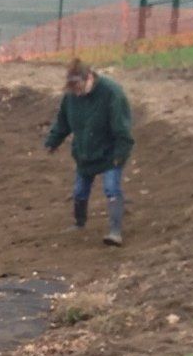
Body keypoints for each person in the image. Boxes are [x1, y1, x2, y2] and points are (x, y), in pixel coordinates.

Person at [42, 58, 134, 246]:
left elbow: (122, 129)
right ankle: (79, 223)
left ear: (89, 78)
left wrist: (120, 154)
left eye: (78, 86)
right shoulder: (71, 97)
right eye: (72, 88)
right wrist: (53, 141)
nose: (76, 91)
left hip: (110, 153)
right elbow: (63, 122)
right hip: (85, 152)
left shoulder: (112, 94)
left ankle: (115, 232)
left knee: (111, 189)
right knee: (79, 191)